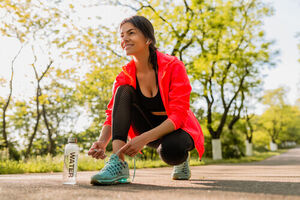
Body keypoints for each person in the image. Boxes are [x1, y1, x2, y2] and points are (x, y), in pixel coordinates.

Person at [88, 15, 204, 185]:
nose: (125, 39)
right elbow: (112, 113)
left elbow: (179, 116)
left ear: (148, 39)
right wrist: (102, 142)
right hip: (147, 126)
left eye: (131, 33)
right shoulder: (125, 75)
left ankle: (182, 161)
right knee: (123, 91)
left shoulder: (173, 66)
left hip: (178, 129)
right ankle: (118, 163)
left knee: (171, 152)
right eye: (122, 35)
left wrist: (142, 139)